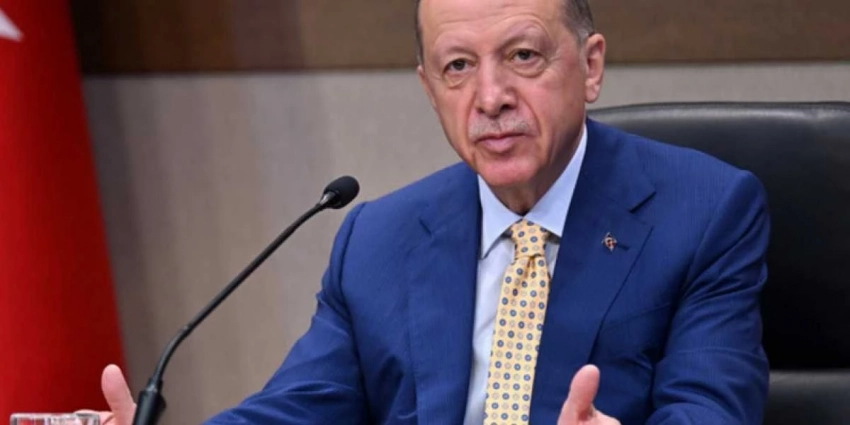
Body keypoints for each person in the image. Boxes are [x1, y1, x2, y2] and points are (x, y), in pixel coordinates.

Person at [91, 0, 770, 423]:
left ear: (591, 67)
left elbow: (712, 409)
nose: (490, 96)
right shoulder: (377, 239)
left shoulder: (705, 212)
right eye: (458, 67)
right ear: (428, 87)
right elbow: (295, 412)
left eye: (522, 56)